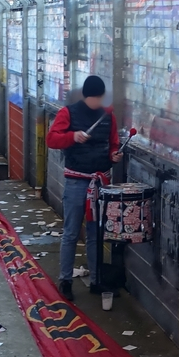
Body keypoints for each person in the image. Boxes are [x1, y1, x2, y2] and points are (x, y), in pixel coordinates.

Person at [45, 75, 121, 302]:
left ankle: (96, 280)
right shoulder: (68, 113)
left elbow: (113, 143)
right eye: (97, 98)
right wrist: (72, 136)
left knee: (95, 234)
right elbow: (52, 139)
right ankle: (65, 280)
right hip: (77, 181)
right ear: (89, 96)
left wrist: (114, 155)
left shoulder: (108, 116)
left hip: (100, 183)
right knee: (71, 232)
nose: (99, 102)